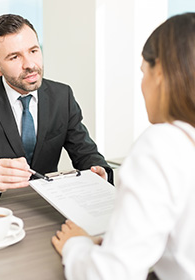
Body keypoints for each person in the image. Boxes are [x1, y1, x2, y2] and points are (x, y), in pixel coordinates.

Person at [52, 12, 195, 280]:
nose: (142, 85)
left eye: (143, 72)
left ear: (161, 72)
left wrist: (75, 246)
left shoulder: (163, 144)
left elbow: (113, 274)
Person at [0, 14, 113, 204]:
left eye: (33, 51)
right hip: (0, 209)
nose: (30, 65)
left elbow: (87, 154)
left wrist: (99, 172)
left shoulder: (61, 96)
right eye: (15, 57)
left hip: (48, 205)